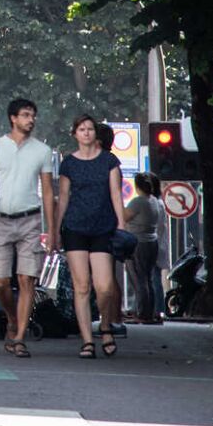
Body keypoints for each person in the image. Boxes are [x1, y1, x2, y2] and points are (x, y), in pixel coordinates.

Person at [0, 97, 57, 359]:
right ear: (13, 118)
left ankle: (19, 336)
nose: (30, 119)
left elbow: (47, 192)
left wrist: (52, 230)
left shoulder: (42, 151)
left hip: (30, 220)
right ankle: (11, 318)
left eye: (32, 115)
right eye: (25, 115)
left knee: (27, 278)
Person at [55, 114, 128, 358]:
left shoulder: (109, 161)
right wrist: (56, 228)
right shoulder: (68, 164)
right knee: (82, 286)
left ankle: (105, 324)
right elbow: (63, 197)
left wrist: (122, 225)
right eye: (81, 129)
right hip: (75, 227)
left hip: (103, 227)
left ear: (95, 134)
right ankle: (87, 340)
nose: (86, 132)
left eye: (90, 129)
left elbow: (117, 195)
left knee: (105, 286)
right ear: (75, 134)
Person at [123, 172, 163, 324]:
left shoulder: (138, 202)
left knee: (139, 279)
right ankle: (150, 312)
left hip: (137, 243)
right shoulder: (153, 200)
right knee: (148, 278)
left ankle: (143, 313)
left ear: (137, 186)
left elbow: (124, 216)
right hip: (152, 242)